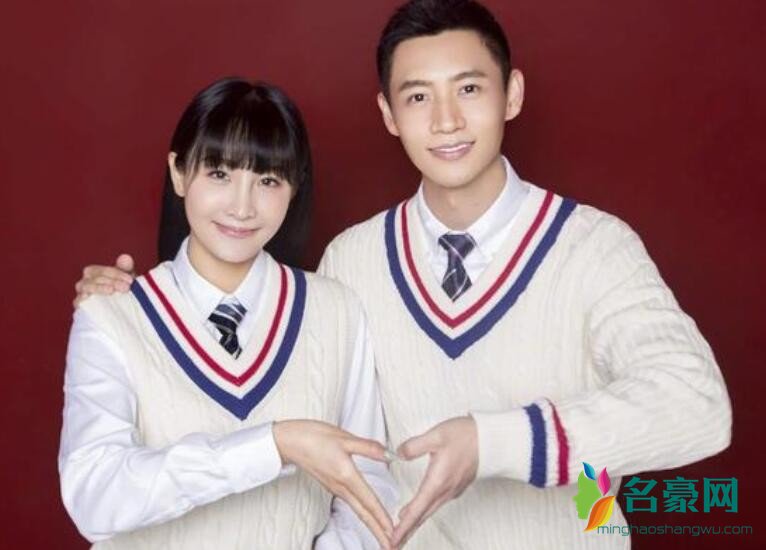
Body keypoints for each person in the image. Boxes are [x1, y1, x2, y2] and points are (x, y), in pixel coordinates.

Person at [75, 1, 732, 548]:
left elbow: (698, 406)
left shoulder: (594, 246)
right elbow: (345, 455)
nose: (446, 121)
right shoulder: (353, 262)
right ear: (389, 114)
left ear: (512, 94)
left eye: (469, 89)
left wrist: (494, 442)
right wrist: (135, 306)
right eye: (419, 96)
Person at [60, 77, 398, 549]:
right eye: (219, 174)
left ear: (294, 188)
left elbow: (370, 487)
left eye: (268, 181)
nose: (242, 207)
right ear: (179, 173)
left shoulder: (336, 310)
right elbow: (94, 498)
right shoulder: (111, 317)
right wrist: (273, 445)